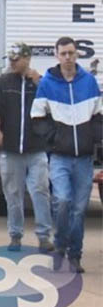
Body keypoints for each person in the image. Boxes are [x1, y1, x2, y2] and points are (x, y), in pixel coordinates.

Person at [30, 37, 102, 274]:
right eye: (64, 53)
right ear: (57, 55)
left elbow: (99, 116)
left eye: (71, 53)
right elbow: (37, 117)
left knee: (79, 209)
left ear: (77, 55)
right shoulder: (47, 83)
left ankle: (75, 255)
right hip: (60, 156)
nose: (68, 57)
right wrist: (54, 138)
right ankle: (60, 245)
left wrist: (93, 137)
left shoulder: (89, 82)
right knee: (62, 201)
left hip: (83, 158)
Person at [0, 43, 54, 253]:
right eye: (10, 59)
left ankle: (44, 236)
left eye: (16, 60)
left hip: (36, 148)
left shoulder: (41, 83)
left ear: (27, 58)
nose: (12, 63)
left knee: (39, 191)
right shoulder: (3, 82)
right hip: (11, 149)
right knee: (13, 194)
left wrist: (40, 82)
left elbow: (54, 105)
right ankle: (15, 235)